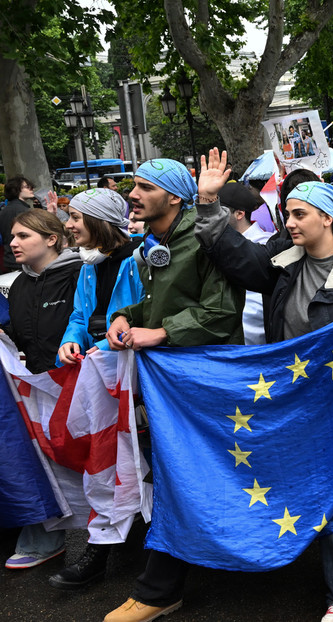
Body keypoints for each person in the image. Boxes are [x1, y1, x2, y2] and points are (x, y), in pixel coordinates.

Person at [194, 149, 333, 622]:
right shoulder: (279, 260)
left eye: (299, 213)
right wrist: (208, 204)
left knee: (329, 485)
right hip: (295, 398)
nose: (288, 221)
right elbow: (235, 257)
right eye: (287, 212)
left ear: (327, 217)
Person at [102, 158, 246, 622]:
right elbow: (154, 303)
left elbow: (220, 313)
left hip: (204, 382)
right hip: (174, 386)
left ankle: (160, 589)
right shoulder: (153, 243)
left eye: (146, 186)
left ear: (175, 198)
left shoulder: (204, 240)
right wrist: (123, 317)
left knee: (187, 476)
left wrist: (159, 334)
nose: (133, 194)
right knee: (182, 476)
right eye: (133, 186)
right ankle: (166, 584)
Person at [45, 188, 144, 589]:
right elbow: (81, 315)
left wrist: (101, 348)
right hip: (97, 372)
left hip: (133, 376)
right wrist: (71, 339)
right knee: (101, 458)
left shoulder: (137, 260)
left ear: (99, 221)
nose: (68, 226)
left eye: (76, 218)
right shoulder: (88, 265)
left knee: (134, 457)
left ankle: (145, 546)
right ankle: (101, 548)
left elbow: (137, 318)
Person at [1, 209, 82, 572]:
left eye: (23, 237)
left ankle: (119, 537)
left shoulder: (80, 273)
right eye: (13, 237)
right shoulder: (17, 286)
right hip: (40, 389)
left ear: (52, 239)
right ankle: (45, 540)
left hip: (81, 385)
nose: (13, 243)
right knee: (47, 463)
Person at [219, 182, 274, 345]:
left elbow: (255, 309)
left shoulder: (265, 246)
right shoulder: (216, 245)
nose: (214, 217)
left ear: (239, 214)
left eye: (220, 211)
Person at [1, 175, 36, 272]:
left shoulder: (5, 210)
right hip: (22, 262)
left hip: (9, 259)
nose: (31, 189)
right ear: (15, 190)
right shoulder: (23, 211)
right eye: (26, 186)